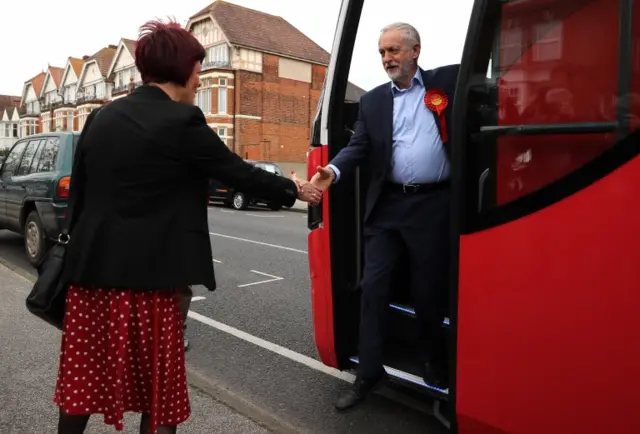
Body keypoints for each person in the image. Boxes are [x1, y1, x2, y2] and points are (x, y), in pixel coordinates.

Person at [53, 19, 321, 434]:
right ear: (181, 69)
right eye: (197, 67)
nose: (199, 77)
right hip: (154, 279)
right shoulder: (182, 121)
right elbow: (237, 172)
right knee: (159, 395)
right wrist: (296, 190)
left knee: (84, 382)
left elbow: (80, 194)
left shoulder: (100, 119)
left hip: (91, 274)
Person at [310, 22, 459, 410]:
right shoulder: (374, 101)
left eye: (393, 50)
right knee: (373, 288)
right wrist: (333, 171)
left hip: (432, 205)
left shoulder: (448, 84)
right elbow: (357, 147)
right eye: (381, 52)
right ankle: (368, 372)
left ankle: (431, 359)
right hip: (388, 206)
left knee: (429, 290)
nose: (387, 59)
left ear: (415, 51)